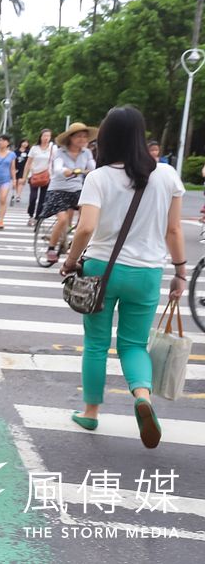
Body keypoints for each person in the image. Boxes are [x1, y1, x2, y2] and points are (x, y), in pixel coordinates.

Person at [59, 106, 185, 449]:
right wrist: (180, 272)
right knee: (133, 344)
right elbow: (174, 229)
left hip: (102, 271)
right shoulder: (167, 175)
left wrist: (71, 261)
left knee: (97, 344)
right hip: (147, 272)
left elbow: (85, 227)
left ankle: (90, 411)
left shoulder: (98, 177)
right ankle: (142, 397)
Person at [40, 122, 97, 264]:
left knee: (89, 216)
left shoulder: (87, 153)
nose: (82, 139)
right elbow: (58, 167)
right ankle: (51, 248)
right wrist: (64, 171)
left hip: (77, 189)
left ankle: (76, 242)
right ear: (70, 138)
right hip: (58, 190)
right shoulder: (60, 152)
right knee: (63, 219)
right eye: (79, 136)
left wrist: (95, 172)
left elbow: (92, 167)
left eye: (85, 137)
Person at [23, 128, 55, 226]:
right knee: (33, 197)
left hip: (47, 176)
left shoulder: (53, 148)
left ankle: (38, 217)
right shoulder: (34, 148)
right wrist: (24, 177)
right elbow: (28, 163)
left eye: (48, 136)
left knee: (43, 198)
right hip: (34, 175)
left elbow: (55, 162)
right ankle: (31, 215)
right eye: (44, 136)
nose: (46, 138)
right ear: (40, 137)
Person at [13, 139, 30, 204]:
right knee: (17, 181)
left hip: (24, 168)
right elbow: (13, 160)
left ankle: (18, 195)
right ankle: (17, 194)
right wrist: (13, 168)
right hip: (16, 168)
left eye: (26, 142)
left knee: (20, 181)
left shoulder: (28, 152)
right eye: (24, 142)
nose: (25, 144)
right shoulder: (16, 151)